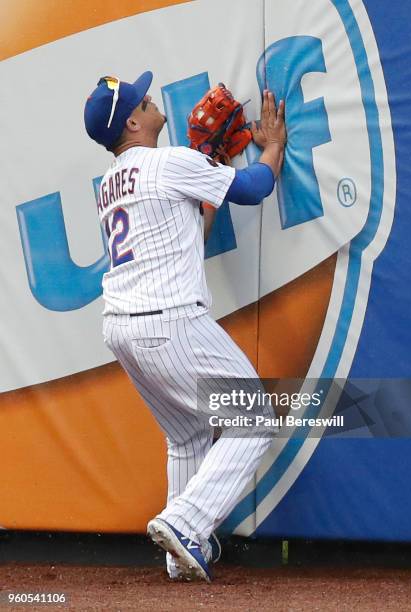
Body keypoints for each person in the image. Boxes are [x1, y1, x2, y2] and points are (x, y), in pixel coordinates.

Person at [84, 70, 286, 582]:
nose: (151, 100)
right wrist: (273, 146)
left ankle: (179, 557)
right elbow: (256, 187)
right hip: (169, 319)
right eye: (143, 100)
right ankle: (185, 523)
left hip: (124, 330)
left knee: (188, 436)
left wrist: (209, 165)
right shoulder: (168, 161)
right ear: (132, 121)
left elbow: (193, 229)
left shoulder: (110, 185)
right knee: (255, 416)